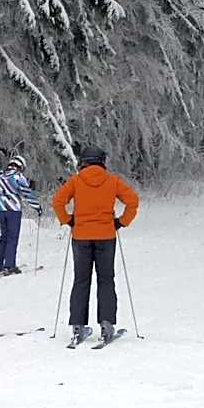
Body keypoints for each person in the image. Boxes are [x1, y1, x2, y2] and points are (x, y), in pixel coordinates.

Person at [51, 146, 139, 343]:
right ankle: (106, 324)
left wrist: (68, 220)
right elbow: (133, 200)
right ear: (102, 161)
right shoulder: (112, 181)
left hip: (81, 236)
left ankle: (78, 326)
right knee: (106, 279)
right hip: (106, 236)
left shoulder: (76, 181)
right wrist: (121, 222)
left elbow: (57, 201)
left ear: (83, 161)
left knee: (81, 280)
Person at [0, 154, 42, 275]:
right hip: (14, 211)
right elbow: (27, 194)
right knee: (12, 237)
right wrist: (37, 207)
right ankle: (9, 265)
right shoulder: (18, 177)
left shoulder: (0, 177)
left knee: (4, 236)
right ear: (20, 166)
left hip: (1, 210)